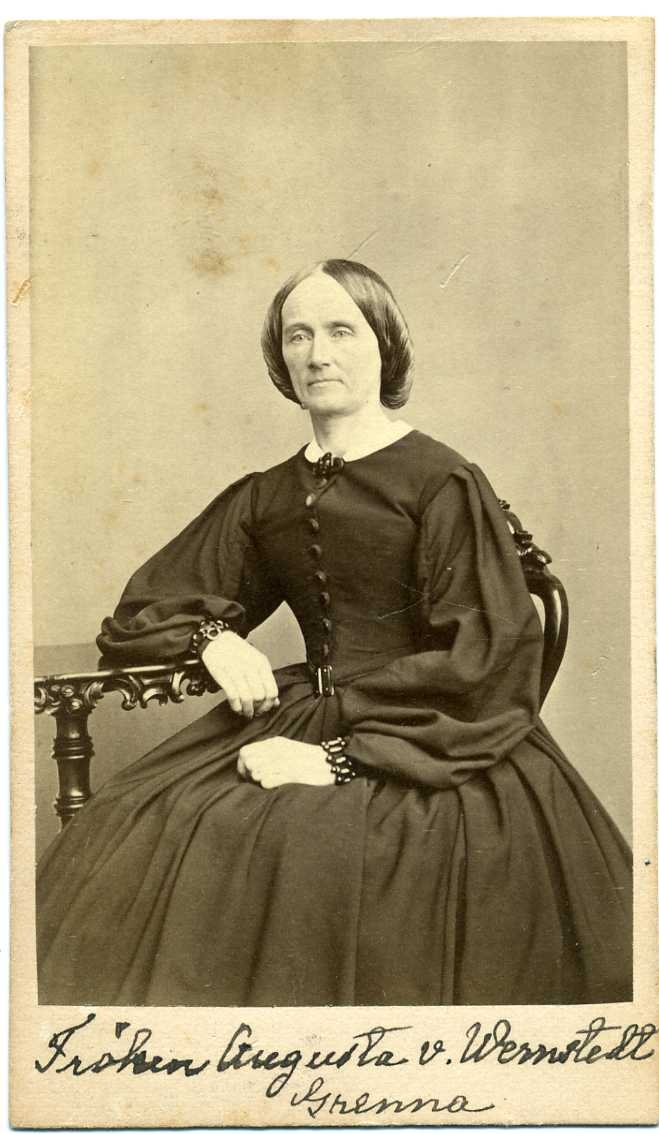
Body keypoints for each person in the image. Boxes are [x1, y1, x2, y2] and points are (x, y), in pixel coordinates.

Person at [37, 259, 632, 1007]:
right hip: (300, 709)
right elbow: (146, 606)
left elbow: (485, 658)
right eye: (299, 335)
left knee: (312, 847)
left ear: (384, 345)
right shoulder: (268, 494)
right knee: (141, 821)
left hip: (433, 737)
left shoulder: (441, 481)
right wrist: (213, 639)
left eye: (341, 331)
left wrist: (337, 759)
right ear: (280, 358)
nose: (318, 353)